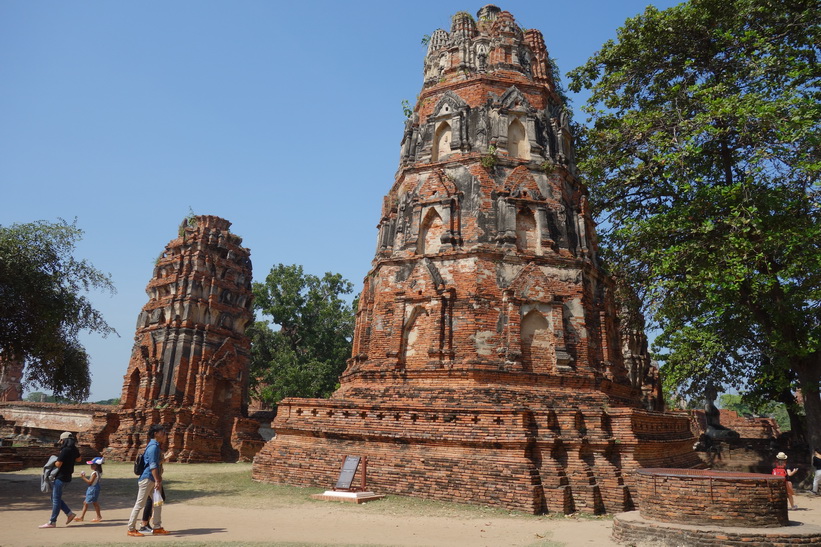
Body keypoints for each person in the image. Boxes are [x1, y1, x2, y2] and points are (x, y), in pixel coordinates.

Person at [126, 424, 170, 536]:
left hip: (152, 478)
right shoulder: (153, 447)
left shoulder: (155, 446)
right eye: (162, 432)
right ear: (155, 433)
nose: (164, 435)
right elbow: (153, 465)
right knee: (140, 504)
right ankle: (131, 529)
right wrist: (157, 480)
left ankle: (157, 527)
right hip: (148, 478)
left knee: (157, 503)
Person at [38, 432, 81, 528]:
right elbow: (79, 459)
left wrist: (55, 460)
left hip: (60, 477)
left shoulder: (65, 450)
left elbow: (58, 464)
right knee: (55, 498)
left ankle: (52, 521)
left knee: (56, 499)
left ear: (64, 440)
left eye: (61, 440)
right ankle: (69, 513)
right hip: (68, 476)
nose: (61, 442)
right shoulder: (74, 449)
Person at [75, 457, 104, 522]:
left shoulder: (94, 473)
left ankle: (97, 517)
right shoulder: (98, 472)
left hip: (92, 489)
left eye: (92, 465)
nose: (91, 466)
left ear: (96, 466)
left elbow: (90, 482)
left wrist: (83, 477)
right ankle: (83, 517)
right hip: (94, 488)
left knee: (88, 503)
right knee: (91, 502)